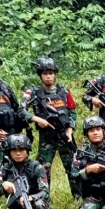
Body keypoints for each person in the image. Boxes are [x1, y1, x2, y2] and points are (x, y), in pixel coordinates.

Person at [0, 50, 51, 193]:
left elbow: (18, 110)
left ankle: (15, 199)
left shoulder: (5, 87)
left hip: (11, 137)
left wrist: (31, 119)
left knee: (15, 170)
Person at [22, 57, 78, 196]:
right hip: (46, 139)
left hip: (65, 136)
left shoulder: (64, 92)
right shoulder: (33, 93)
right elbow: (20, 110)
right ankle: (43, 199)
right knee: (43, 171)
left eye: (51, 73)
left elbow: (73, 112)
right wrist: (36, 119)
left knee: (73, 169)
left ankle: (79, 197)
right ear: (40, 75)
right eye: (45, 73)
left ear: (55, 74)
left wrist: (70, 131)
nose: (48, 76)